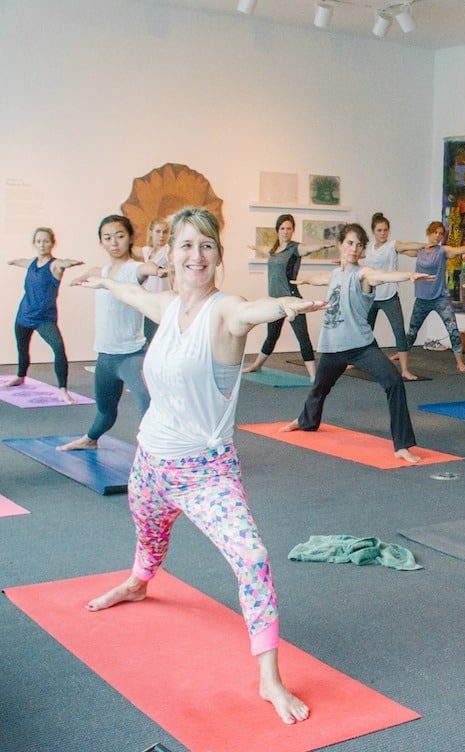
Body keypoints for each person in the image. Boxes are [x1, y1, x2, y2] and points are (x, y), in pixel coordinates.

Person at [78, 206, 322, 724]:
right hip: (149, 461)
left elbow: (251, 311)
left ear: (218, 256)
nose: (196, 255)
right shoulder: (166, 306)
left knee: (252, 559)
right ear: (170, 253)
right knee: (149, 535)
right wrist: (100, 280)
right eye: (187, 245)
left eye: (207, 246)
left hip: (205, 472)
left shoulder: (224, 311)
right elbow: (132, 293)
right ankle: (140, 581)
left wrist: (284, 305)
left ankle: (269, 679)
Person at [280, 222, 431, 464]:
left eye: (359, 245)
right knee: (320, 387)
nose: (354, 248)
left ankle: (402, 445)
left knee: (393, 381)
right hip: (332, 346)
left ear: (363, 250)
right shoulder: (335, 274)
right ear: (341, 245)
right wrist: (303, 281)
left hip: (361, 347)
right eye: (350, 243)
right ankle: (306, 420)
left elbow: (382, 276)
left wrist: (408, 275)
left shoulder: (362, 274)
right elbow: (322, 278)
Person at [58, 215, 163, 452]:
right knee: (105, 410)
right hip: (105, 357)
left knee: (148, 401)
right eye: (108, 238)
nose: (114, 243)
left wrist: (162, 271)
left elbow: (150, 268)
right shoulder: (101, 270)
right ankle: (90, 439)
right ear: (102, 242)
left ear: (130, 238)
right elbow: (90, 274)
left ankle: (154, 449)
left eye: (120, 236)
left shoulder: (134, 269)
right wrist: (79, 278)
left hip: (130, 356)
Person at [242, 214, 331, 380]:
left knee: (302, 337)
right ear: (277, 230)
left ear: (293, 230)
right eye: (282, 228)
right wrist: (254, 247)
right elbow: (265, 250)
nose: (285, 231)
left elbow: (309, 248)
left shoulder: (295, 248)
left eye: (289, 228)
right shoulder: (273, 250)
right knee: (272, 336)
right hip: (274, 303)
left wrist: (323, 246)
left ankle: (313, 375)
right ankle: (257, 365)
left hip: (291, 300)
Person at [5, 227, 82, 403]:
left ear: (52, 243)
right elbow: (21, 261)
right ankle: (20, 376)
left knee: (58, 349)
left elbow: (64, 263)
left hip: (44, 319)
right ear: (34, 243)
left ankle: (63, 389)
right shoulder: (31, 262)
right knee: (22, 348)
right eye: (39, 241)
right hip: (24, 314)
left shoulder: (55, 265)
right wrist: (12, 261)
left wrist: (72, 263)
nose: (42, 244)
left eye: (46, 241)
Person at [398, 220, 465, 373]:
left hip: (440, 297)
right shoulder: (420, 251)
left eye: (441, 234)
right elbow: (402, 250)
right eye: (435, 232)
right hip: (422, 298)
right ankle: (401, 354)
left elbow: (458, 251)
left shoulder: (442, 251)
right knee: (412, 331)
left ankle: (459, 362)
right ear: (429, 233)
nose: (437, 236)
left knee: (453, 328)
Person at [364, 212, 417, 381]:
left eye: (385, 230)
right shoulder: (369, 247)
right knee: (363, 330)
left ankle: (405, 370)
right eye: (379, 230)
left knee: (399, 331)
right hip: (371, 296)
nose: (382, 233)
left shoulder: (392, 245)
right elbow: (355, 256)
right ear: (374, 231)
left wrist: (427, 245)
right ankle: (356, 360)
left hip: (389, 296)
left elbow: (408, 245)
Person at [138, 218, 172, 340]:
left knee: (160, 335)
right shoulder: (148, 250)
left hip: (162, 300)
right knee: (149, 334)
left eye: (165, 232)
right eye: (158, 231)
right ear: (151, 232)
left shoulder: (168, 250)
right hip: (148, 298)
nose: (161, 235)